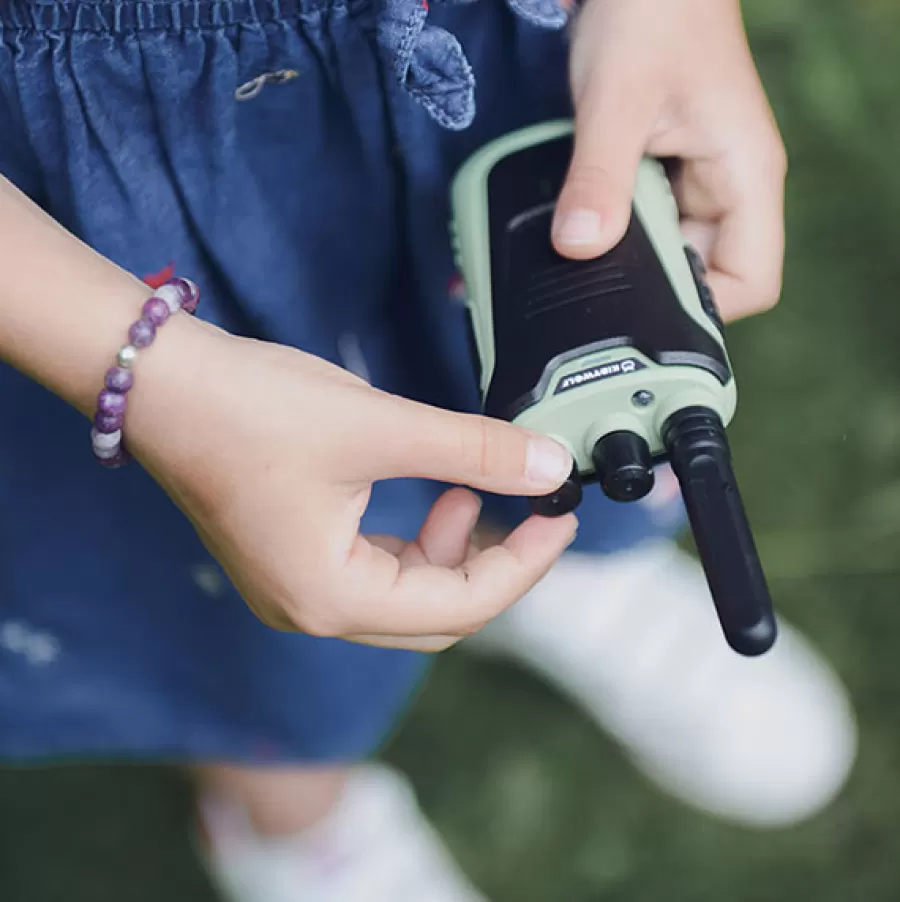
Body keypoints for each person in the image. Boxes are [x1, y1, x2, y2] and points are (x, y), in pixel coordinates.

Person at [0, 0, 856, 899]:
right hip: (85, 238)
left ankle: (558, 566)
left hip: (480, 62)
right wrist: (148, 375)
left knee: (553, 363)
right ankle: (293, 813)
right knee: (221, 570)